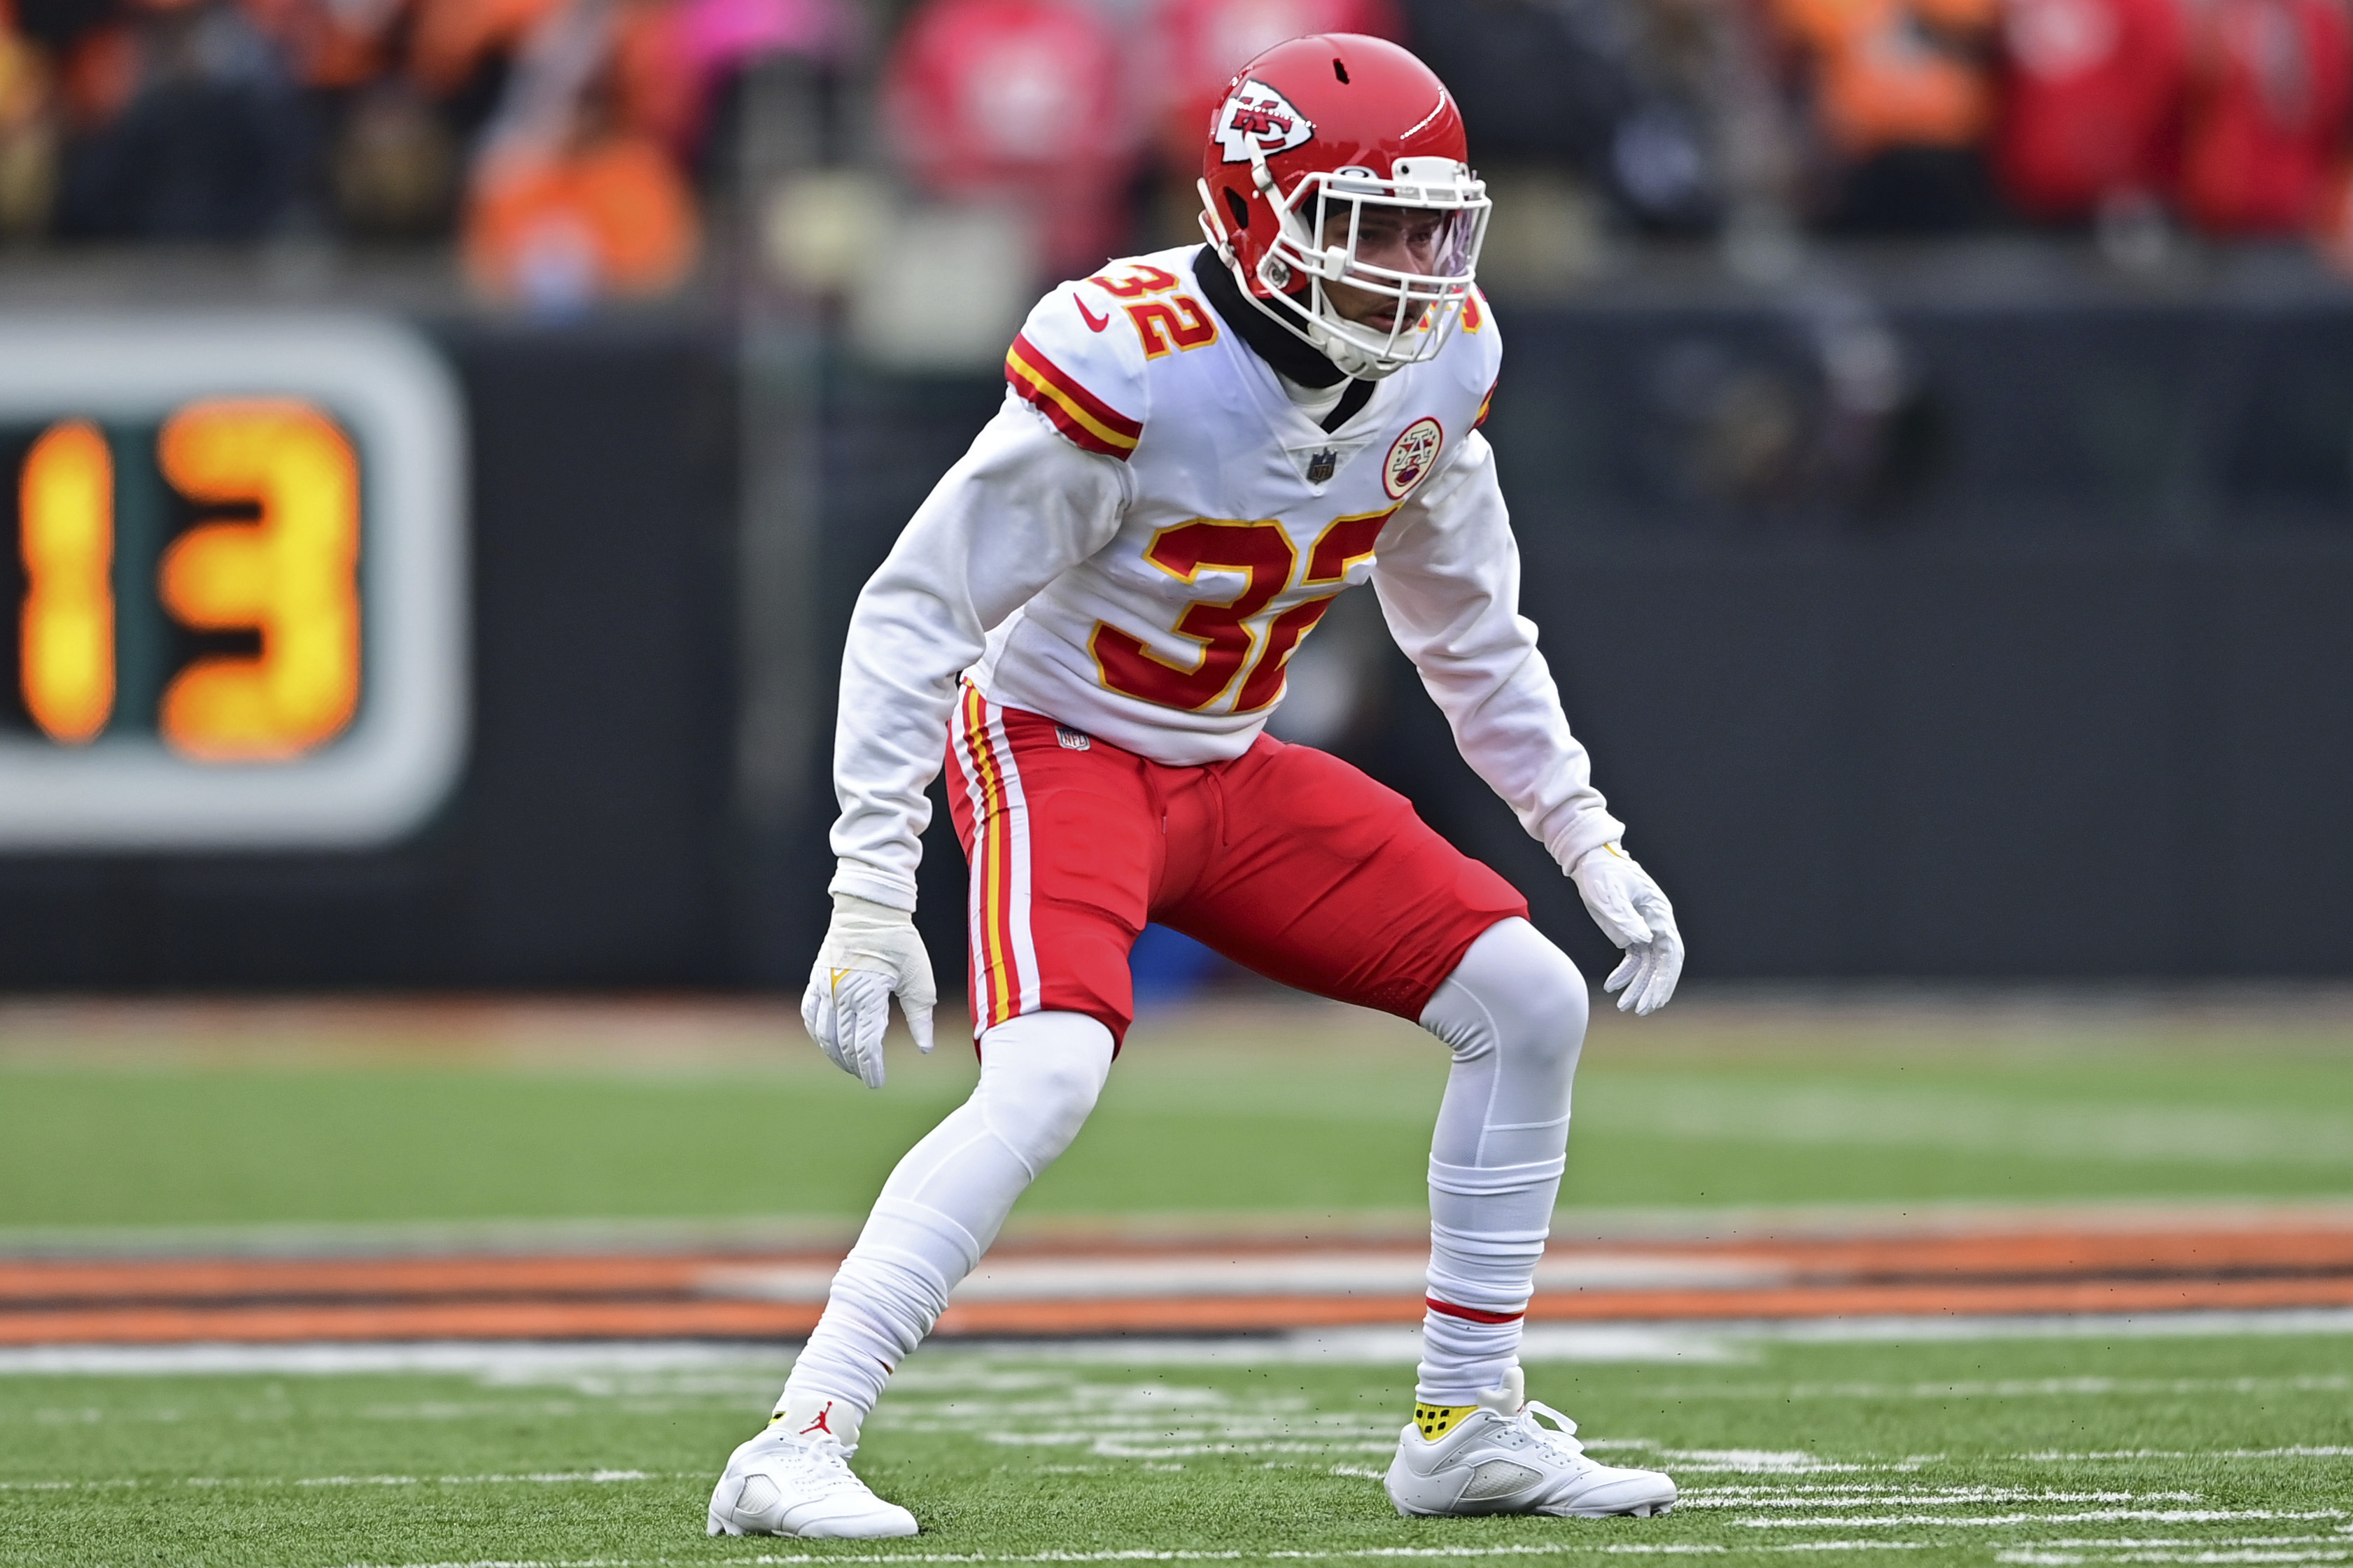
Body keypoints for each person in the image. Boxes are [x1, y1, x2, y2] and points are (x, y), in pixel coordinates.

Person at [706, 31, 1687, 1541]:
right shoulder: (1131, 355)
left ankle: (1464, 1419)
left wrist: (1581, 826)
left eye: (1433, 226)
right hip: (1057, 745)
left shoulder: (1442, 354)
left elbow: (1469, 624)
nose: (1410, 270)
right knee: (1043, 1074)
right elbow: (915, 608)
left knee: (1531, 1001)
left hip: (1226, 763)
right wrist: (868, 883)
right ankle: (797, 1437)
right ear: (1249, 213)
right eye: (1367, 229)